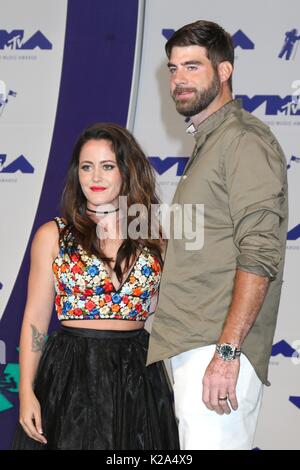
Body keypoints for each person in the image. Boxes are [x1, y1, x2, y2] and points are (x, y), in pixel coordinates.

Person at [147, 20, 288, 450]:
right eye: (173, 69)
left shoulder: (243, 141)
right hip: (197, 347)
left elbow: (260, 252)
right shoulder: (211, 143)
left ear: (224, 71)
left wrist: (226, 354)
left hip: (219, 351)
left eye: (192, 67)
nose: (179, 80)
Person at [12, 123, 179, 450]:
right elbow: (35, 319)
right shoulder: (53, 236)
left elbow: (170, 310)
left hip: (138, 374)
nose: (95, 177)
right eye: (86, 167)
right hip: (71, 373)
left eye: (107, 166)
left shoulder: (154, 238)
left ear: (126, 172)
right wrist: (26, 392)